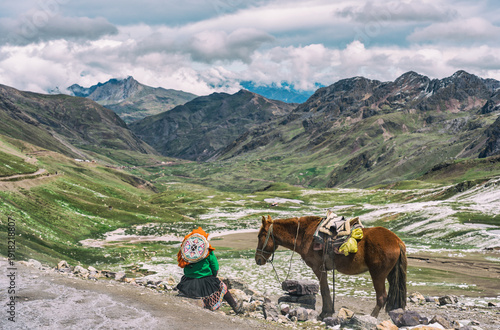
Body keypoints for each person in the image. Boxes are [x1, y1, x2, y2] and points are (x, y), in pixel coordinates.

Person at [176, 227, 242, 313]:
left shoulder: (185, 251)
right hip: (205, 281)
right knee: (223, 287)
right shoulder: (207, 250)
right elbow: (215, 267)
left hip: (187, 282)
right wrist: (213, 278)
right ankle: (236, 307)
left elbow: (182, 264)